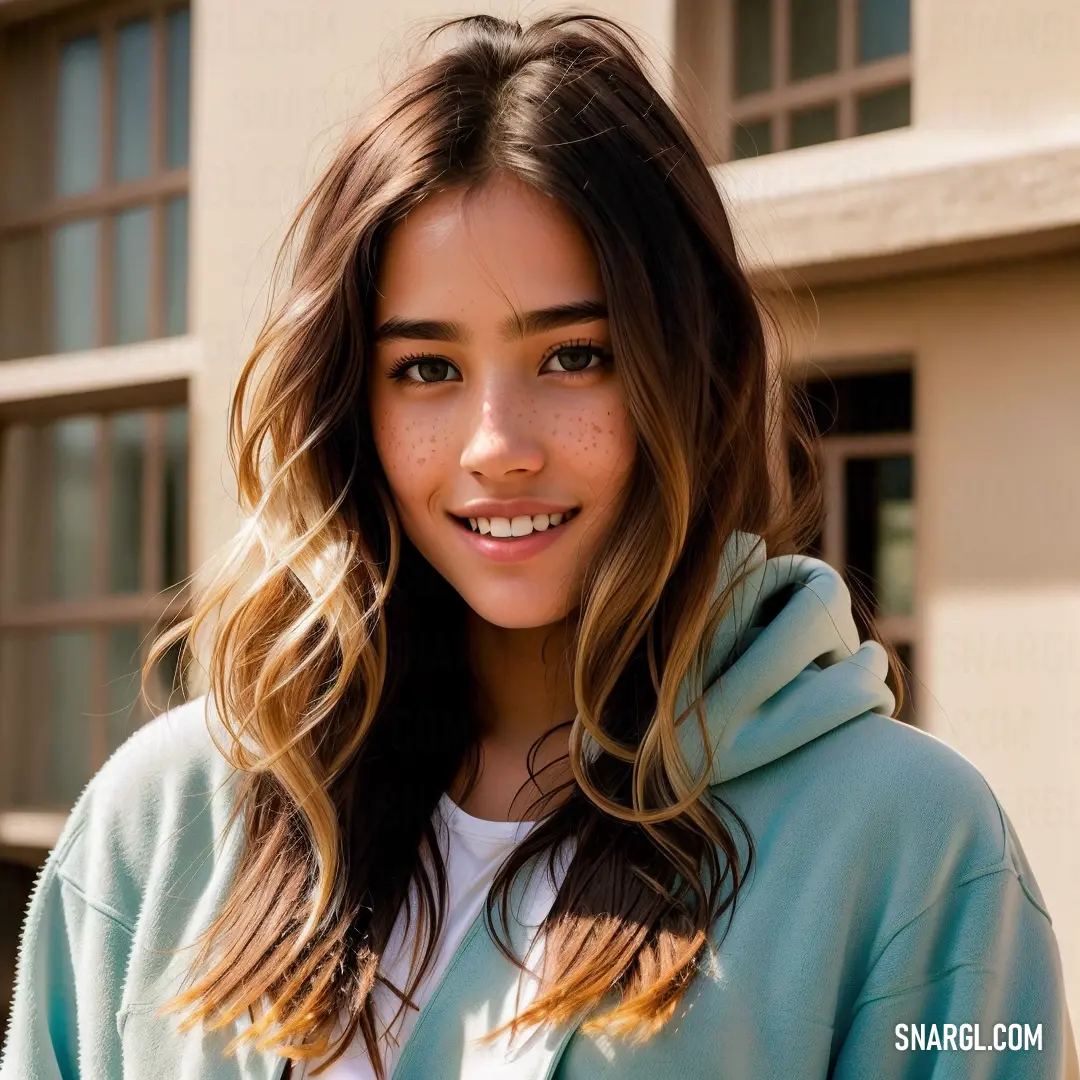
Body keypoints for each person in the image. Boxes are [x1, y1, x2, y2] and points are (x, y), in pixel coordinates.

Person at [2, 12, 1075, 1080]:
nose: (497, 446)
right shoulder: (159, 822)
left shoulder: (918, 850)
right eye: (426, 368)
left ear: (687, 372)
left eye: (574, 356)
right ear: (351, 405)